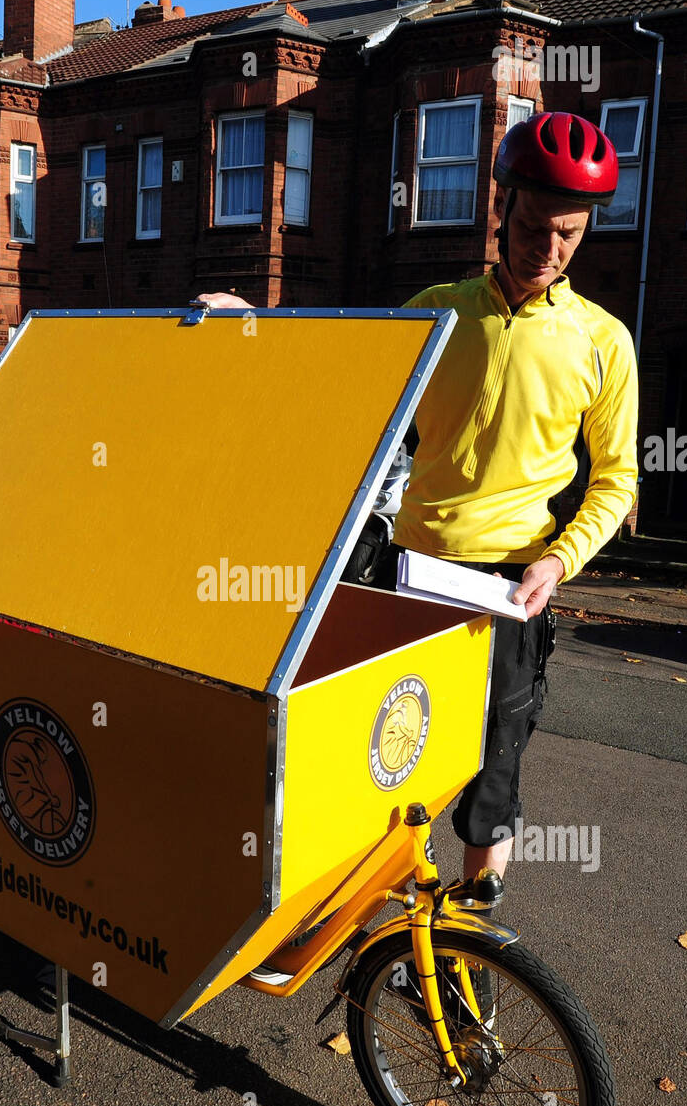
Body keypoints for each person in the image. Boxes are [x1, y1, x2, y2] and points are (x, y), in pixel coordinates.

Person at [198, 110, 638, 942]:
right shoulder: (439, 311)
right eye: (537, 227)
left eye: (571, 235)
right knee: (385, 755)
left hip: (513, 588)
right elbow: (344, 380)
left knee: (490, 776)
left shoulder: (602, 343)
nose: (550, 249)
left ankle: (470, 947)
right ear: (501, 208)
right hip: (413, 573)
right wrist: (251, 323)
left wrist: (560, 562)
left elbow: (617, 481)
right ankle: (365, 925)